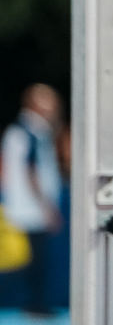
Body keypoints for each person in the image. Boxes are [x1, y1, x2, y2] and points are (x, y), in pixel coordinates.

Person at [0, 84, 64, 316]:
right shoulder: (31, 131)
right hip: (31, 208)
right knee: (31, 263)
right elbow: (32, 171)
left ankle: (33, 304)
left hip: (21, 206)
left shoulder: (21, 131)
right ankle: (35, 305)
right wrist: (46, 206)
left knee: (26, 262)